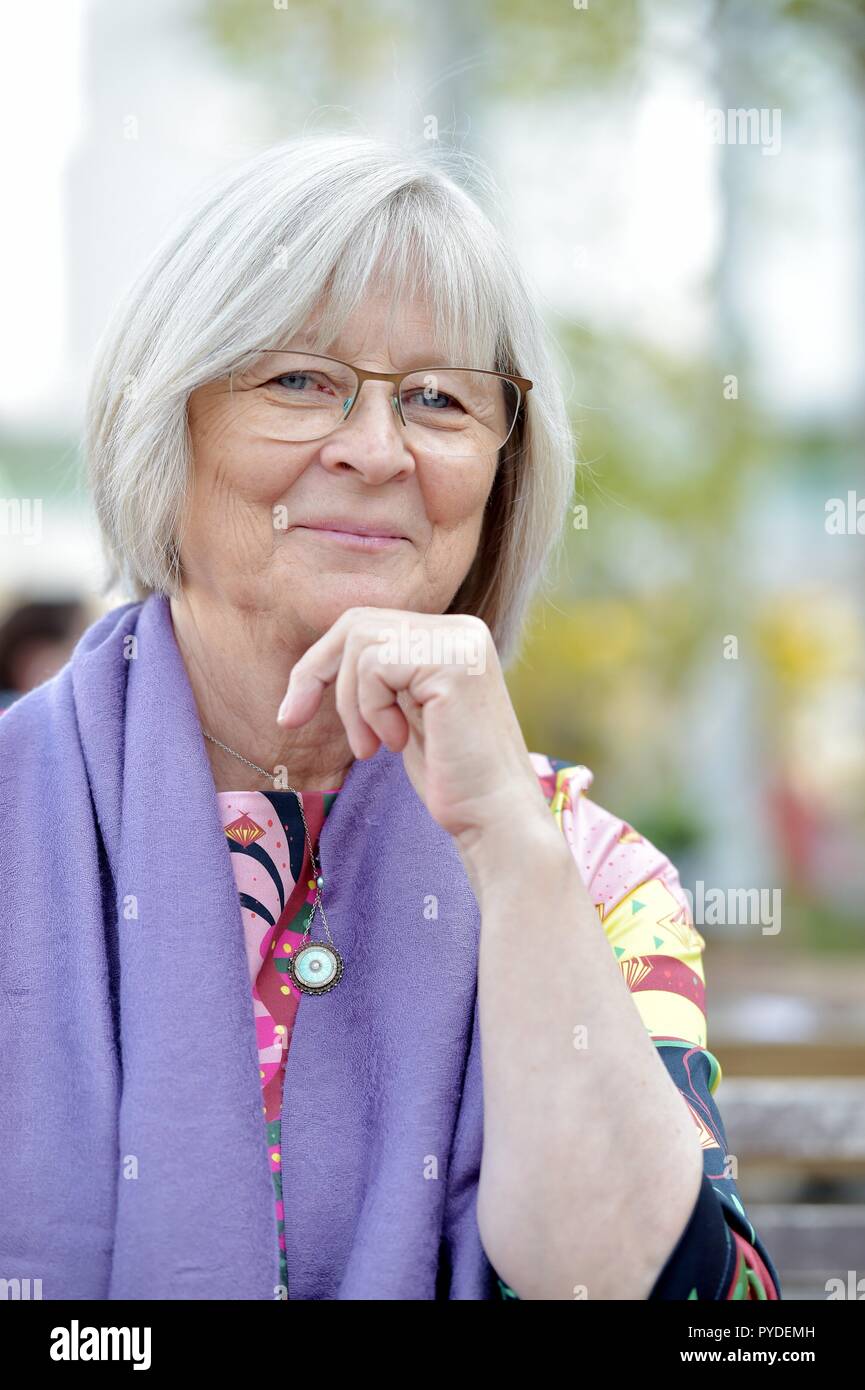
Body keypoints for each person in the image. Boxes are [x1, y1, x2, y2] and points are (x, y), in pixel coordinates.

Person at [0, 133, 780, 1301]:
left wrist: (511, 854)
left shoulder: (594, 872)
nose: (375, 450)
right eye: (298, 379)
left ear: (502, 480)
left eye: (436, 399)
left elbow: (684, 1314)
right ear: (168, 421)